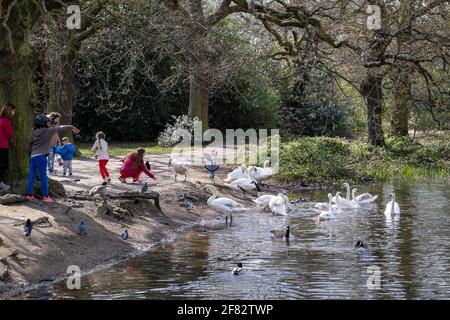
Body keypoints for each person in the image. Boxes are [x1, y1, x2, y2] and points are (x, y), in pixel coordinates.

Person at [26, 113, 80, 202]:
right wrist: (71, 127)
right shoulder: (48, 131)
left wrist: (29, 153)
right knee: (43, 176)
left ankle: (29, 194)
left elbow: (29, 145)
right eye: (47, 122)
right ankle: (46, 196)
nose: (49, 123)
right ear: (43, 123)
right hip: (41, 156)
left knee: (31, 175)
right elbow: (60, 128)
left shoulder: (34, 132)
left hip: (33, 157)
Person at [0, 103, 16, 190]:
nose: (14, 113)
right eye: (13, 111)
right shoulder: (6, 121)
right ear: (9, 111)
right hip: (2, 145)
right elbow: (9, 134)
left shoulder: (1, 119)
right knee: (4, 164)